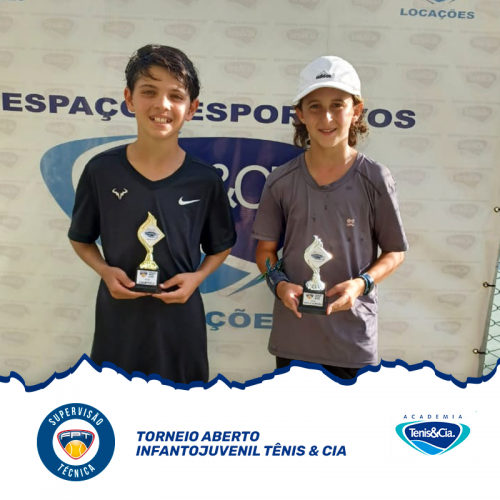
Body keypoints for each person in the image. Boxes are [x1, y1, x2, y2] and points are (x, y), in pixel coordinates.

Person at [68, 44, 236, 384]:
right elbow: (81, 239)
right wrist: (104, 271)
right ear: (129, 99)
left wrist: (197, 278)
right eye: (149, 91)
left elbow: (221, 245)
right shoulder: (101, 171)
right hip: (119, 323)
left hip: (180, 326)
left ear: (192, 108)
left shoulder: (205, 179)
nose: (162, 105)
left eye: (176, 95)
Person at [252, 56, 408, 379]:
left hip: (353, 344)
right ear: (300, 114)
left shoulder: (376, 179)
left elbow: (395, 252)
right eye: (315, 107)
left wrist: (361, 284)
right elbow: (265, 251)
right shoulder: (280, 181)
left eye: (337, 105)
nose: (326, 118)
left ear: (356, 110)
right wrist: (279, 285)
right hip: (293, 341)